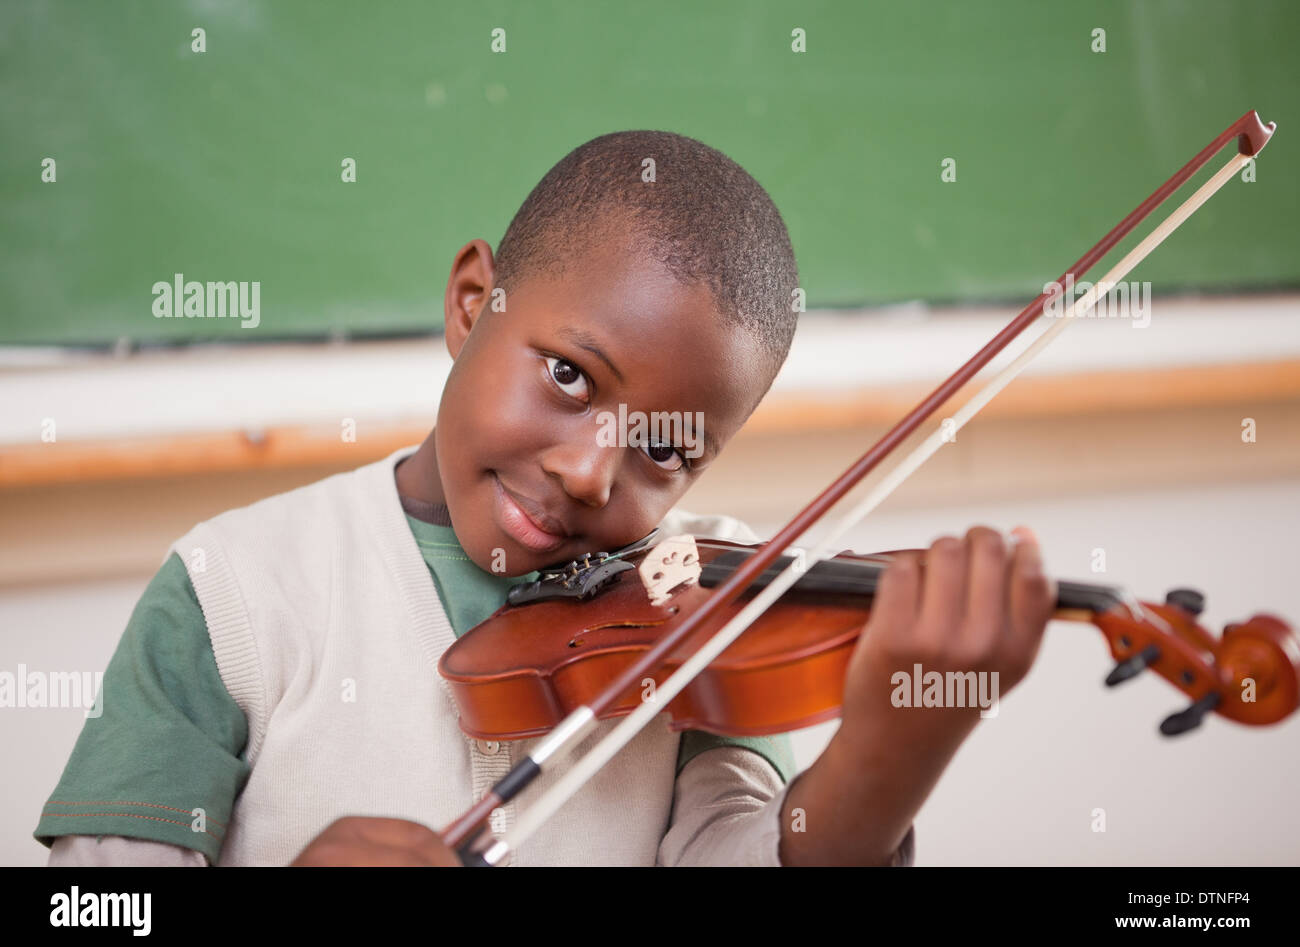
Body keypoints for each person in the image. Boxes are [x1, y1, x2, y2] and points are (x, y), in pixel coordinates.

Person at [35, 130, 1055, 866]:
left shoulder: (702, 618)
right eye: (569, 375)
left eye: (667, 450)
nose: (588, 472)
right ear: (472, 302)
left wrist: (891, 748)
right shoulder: (236, 593)